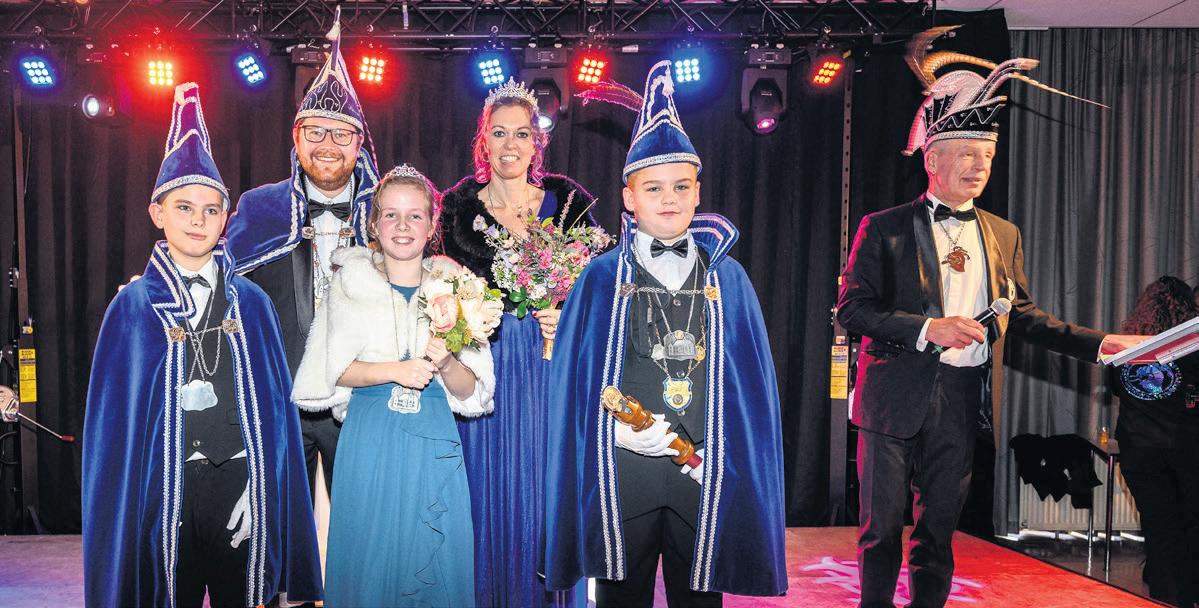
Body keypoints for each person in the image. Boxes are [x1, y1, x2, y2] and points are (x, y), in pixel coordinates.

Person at [837, 29, 1148, 608]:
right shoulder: (883, 228)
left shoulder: (1003, 233)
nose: (979, 166)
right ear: (933, 159)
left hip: (962, 398)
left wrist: (1100, 343)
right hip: (892, 395)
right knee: (880, 531)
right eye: (966, 154)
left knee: (938, 533)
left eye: (986, 156)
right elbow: (852, 309)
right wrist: (928, 328)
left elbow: (1022, 315)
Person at [544, 60, 788, 607]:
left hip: (701, 477)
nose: (669, 198)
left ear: (698, 193)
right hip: (624, 473)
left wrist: (726, 453)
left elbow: (753, 394)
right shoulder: (599, 278)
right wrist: (612, 435)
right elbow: (572, 388)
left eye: (680, 186)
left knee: (699, 600)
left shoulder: (728, 277)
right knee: (620, 599)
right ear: (629, 198)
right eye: (653, 188)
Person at [82, 83, 321, 607]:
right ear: (157, 212)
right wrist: (146, 507)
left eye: (212, 210)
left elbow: (275, 419)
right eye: (184, 207)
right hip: (166, 495)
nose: (198, 220)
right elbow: (114, 437)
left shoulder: (252, 304)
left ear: (226, 219)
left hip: (239, 485)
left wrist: (259, 493)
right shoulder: (132, 308)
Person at [291, 165, 498, 606]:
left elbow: (471, 393)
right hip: (370, 436)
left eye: (414, 216)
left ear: (432, 225)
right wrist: (393, 370)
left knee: (435, 554)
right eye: (391, 215)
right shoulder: (350, 282)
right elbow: (329, 371)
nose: (402, 226)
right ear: (374, 223)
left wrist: (446, 361)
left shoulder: (457, 286)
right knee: (370, 555)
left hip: (433, 438)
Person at [439, 78, 599, 607]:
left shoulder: (569, 203)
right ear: (482, 142)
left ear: (537, 143)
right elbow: (434, 289)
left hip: (554, 366)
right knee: (486, 490)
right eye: (499, 133)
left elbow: (603, 286)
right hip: (484, 366)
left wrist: (568, 314)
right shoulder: (455, 211)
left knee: (548, 487)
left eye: (522, 134)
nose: (510, 144)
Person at [225, 7, 379, 498]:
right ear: (296, 137)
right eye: (315, 131)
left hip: (363, 401)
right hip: (280, 399)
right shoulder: (260, 208)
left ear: (359, 143)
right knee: (279, 527)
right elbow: (221, 290)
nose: (327, 144)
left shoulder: (388, 213)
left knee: (362, 525)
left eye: (341, 134)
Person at [1110, 276, 1199, 608]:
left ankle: (1165, 598)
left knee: (1158, 527)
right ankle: (1187, 594)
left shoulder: (1125, 349)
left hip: (1138, 449)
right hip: (1183, 447)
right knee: (1189, 524)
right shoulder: (1192, 348)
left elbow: (1116, 388)